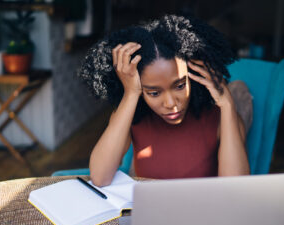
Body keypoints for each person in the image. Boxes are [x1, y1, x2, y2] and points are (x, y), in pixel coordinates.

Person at [79, 15, 251, 186]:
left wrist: (227, 105)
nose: (170, 103)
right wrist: (131, 93)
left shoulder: (219, 116)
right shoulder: (133, 117)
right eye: (154, 93)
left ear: (194, 76)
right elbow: (100, 177)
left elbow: (234, 189)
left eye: (180, 85)